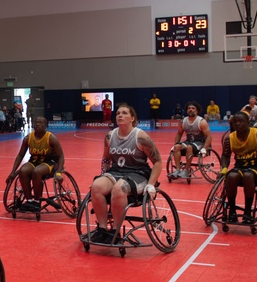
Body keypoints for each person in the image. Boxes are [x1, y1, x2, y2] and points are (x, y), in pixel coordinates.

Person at [89, 104, 162, 236]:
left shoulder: (141, 137)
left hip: (138, 173)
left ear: (132, 118)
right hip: (117, 171)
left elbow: (157, 161)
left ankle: (115, 231)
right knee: (96, 186)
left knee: (119, 188)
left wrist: (151, 184)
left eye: (124, 113)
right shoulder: (110, 136)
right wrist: (103, 175)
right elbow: (106, 159)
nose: (120, 115)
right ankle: (102, 229)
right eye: (117, 113)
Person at [6, 116, 66, 211]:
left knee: (37, 172)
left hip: (50, 162)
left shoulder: (51, 138)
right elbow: (20, 155)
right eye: (36, 122)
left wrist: (59, 173)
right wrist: (12, 172)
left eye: (41, 122)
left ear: (45, 125)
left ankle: (37, 201)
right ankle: (29, 200)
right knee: (23, 170)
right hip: (34, 161)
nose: (38, 124)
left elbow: (61, 156)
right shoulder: (28, 138)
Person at [170, 101, 212, 178]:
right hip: (189, 142)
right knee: (177, 147)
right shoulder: (183, 121)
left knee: (189, 147)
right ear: (186, 110)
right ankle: (178, 170)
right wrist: (175, 144)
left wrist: (205, 149)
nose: (190, 110)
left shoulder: (201, 122)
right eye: (189, 108)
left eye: (193, 108)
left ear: (197, 110)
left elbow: (209, 136)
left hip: (200, 143)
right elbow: (179, 134)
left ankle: (186, 170)